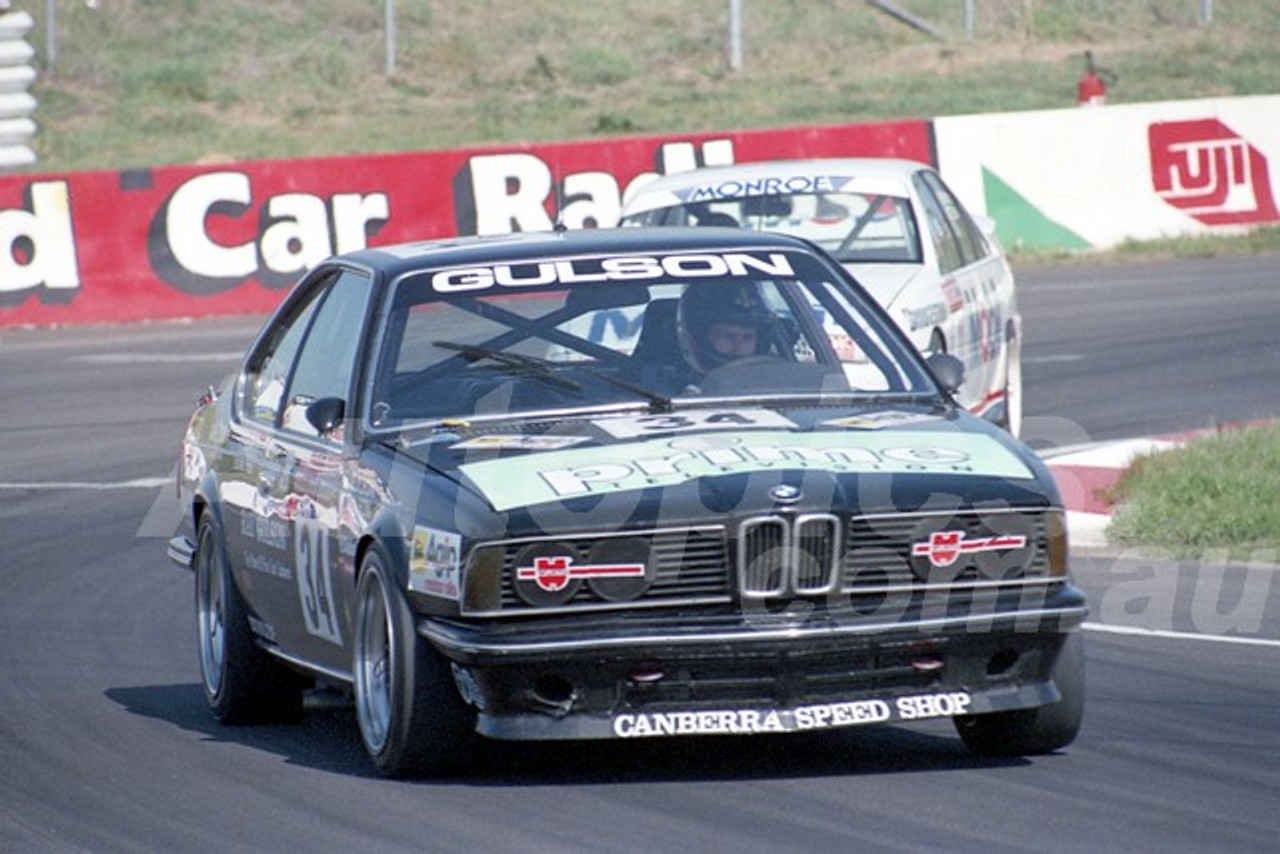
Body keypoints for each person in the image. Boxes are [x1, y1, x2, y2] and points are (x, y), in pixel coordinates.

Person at [676, 281, 778, 377]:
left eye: (748, 337)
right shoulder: (667, 391)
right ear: (698, 337)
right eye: (728, 336)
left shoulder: (779, 384)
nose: (738, 348)